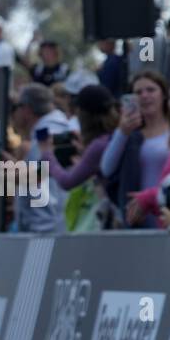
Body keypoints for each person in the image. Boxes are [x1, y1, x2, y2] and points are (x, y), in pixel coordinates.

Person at [39, 84, 120, 231]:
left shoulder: (98, 145)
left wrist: (47, 153)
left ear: (83, 114)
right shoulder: (114, 137)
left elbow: (67, 181)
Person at [101, 71, 170, 227]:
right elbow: (106, 169)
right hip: (140, 217)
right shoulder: (130, 135)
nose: (145, 96)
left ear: (164, 95)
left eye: (151, 90)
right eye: (138, 92)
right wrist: (122, 132)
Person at [10, 83, 71, 233]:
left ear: (26, 109)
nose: (12, 114)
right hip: (53, 227)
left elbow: (37, 177)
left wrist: (3, 173)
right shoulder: (54, 128)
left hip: (47, 231)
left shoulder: (45, 134)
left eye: (15, 108)